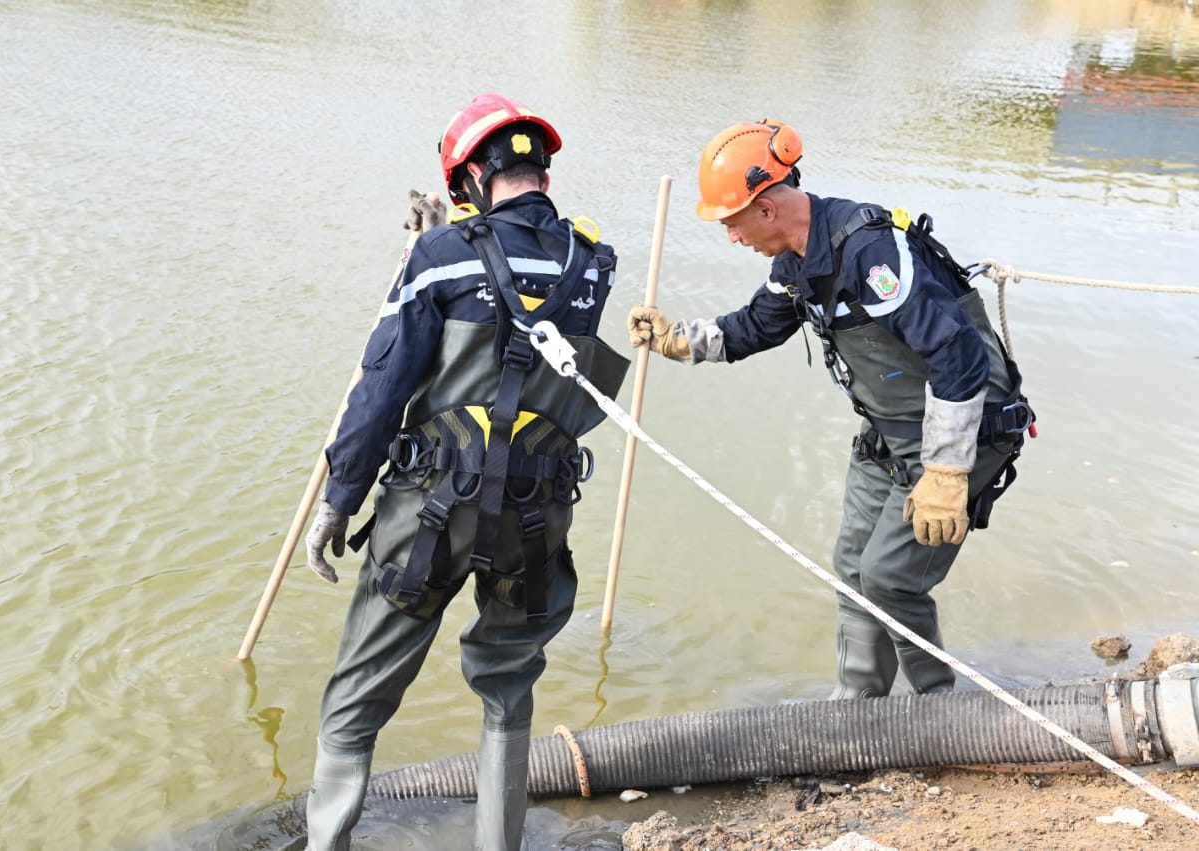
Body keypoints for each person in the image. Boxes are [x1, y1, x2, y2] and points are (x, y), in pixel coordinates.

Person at [302, 92, 628, 851]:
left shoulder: (436, 257)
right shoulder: (595, 261)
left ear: (475, 175)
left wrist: (337, 503)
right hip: (535, 514)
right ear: (538, 168)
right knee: (508, 688)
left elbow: (380, 389)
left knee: (358, 692)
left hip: (430, 514)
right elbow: (531, 321)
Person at [628, 119, 1033, 700]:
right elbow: (755, 328)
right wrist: (678, 340)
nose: (731, 238)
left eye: (733, 223)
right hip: (890, 435)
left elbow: (958, 353)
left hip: (966, 432)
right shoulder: (796, 262)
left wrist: (947, 473)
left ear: (766, 208)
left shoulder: (869, 254)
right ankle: (856, 711)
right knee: (851, 570)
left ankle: (940, 710)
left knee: (890, 578)